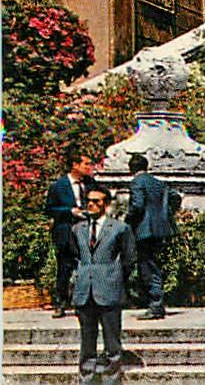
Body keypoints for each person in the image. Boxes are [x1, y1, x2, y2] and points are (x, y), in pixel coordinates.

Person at [69, 184, 134, 382]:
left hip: (109, 290)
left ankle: (111, 379)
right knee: (87, 342)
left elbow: (129, 259)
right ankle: (87, 378)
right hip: (84, 292)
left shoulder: (120, 228)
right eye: (88, 200)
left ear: (106, 204)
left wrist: (114, 278)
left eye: (96, 201)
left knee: (112, 342)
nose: (91, 204)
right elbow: (73, 256)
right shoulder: (77, 229)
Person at [124, 153, 179, 320]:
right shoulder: (159, 183)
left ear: (131, 168)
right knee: (152, 264)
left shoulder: (137, 182)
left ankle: (155, 304)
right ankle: (155, 302)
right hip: (160, 230)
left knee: (147, 266)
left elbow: (138, 205)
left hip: (143, 230)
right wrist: (166, 216)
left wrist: (128, 219)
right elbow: (175, 197)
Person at [46, 150, 96, 317]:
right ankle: (60, 302)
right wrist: (70, 211)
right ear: (75, 165)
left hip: (86, 231)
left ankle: (84, 302)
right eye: (86, 164)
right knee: (64, 268)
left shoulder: (90, 183)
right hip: (66, 231)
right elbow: (50, 209)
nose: (89, 167)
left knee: (86, 267)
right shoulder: (58, 186)